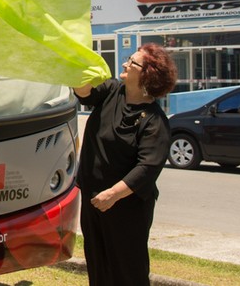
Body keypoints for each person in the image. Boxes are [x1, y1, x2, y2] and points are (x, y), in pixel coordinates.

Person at [72, 43, 177, 286]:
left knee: (127, 270)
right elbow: (84, 93)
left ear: (147, 74)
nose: (125, 64)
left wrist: (113, 194)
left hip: (125, 207)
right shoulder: (112, 91)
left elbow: (147, 168)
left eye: (132, 62)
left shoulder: (154, 121)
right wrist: (76, 68)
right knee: (98, 264)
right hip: (94, 198)